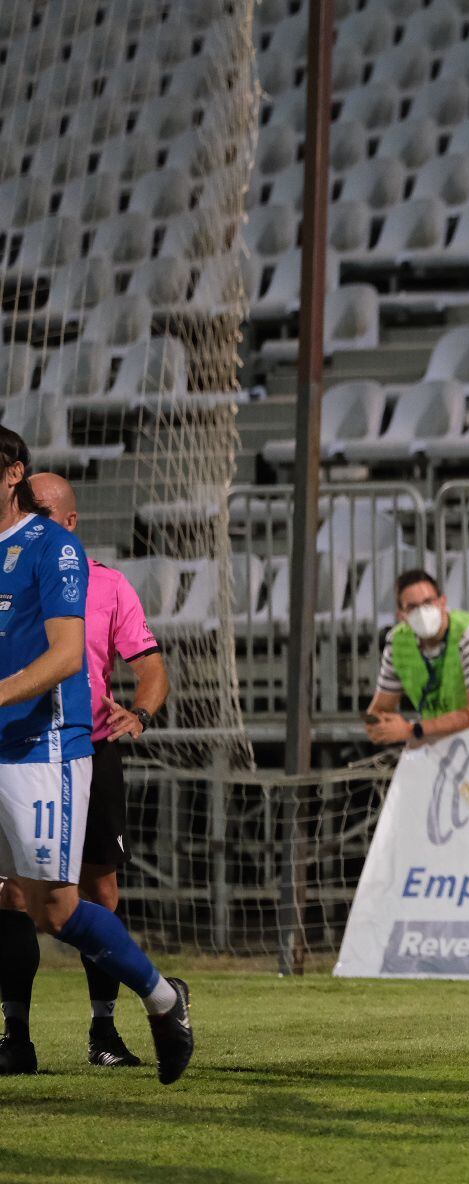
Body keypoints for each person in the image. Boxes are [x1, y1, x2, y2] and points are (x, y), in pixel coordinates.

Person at [0, 428, 192, 1083]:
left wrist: (139, 711)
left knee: (63, 904)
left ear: (12, 475)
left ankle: (154, 1003)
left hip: (46, 747)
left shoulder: (58, 552)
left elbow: (68, 657)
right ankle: (16, 1035)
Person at [363, 569, 469, 747]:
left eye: (428, 602)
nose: (422, 612)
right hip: (444, 744)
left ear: (442, 602)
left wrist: (411, 729)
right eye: (412, 607)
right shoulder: (397, 642)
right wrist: (379, 725)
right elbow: (380, 708)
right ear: (401, 615)